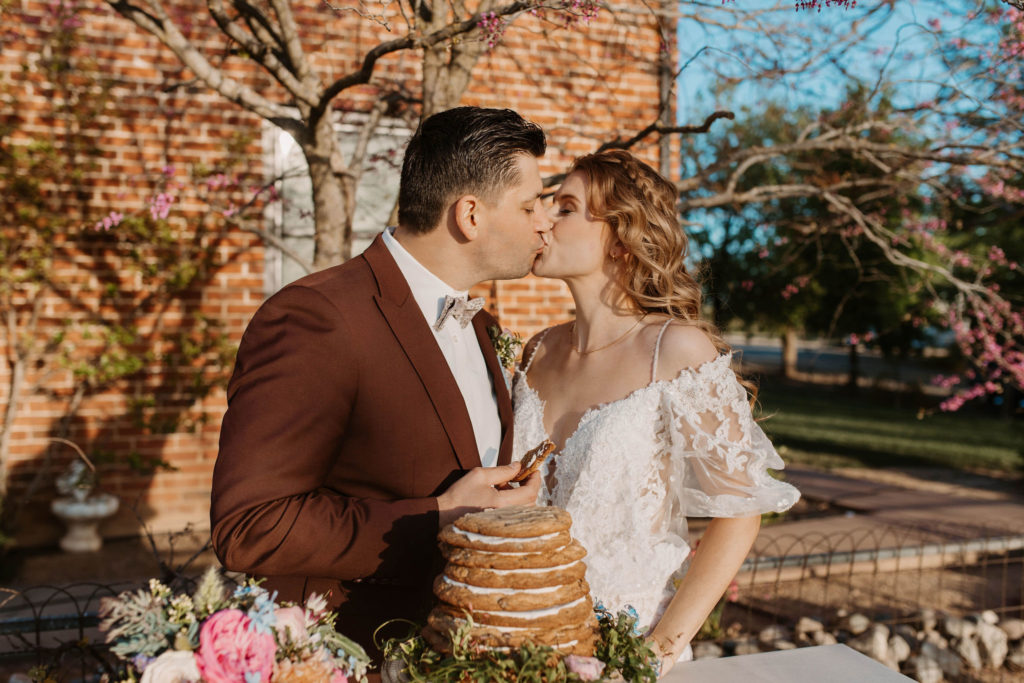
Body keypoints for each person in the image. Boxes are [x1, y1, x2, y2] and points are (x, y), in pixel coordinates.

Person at [211, 107, 548, 663]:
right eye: (530, 205)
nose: (544, 222)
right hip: (349, 653)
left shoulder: (484, 327)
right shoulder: (318, 318)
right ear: (469, 214)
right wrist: (439, 516)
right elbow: (250, 526)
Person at [513, 149, 800, 676]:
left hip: (626, 651)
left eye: (566, 208)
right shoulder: (534, 353)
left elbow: (740, 515)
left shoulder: (676, 351)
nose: (543, 221)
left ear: (620, 239)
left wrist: (658, 651)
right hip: (517, 646)